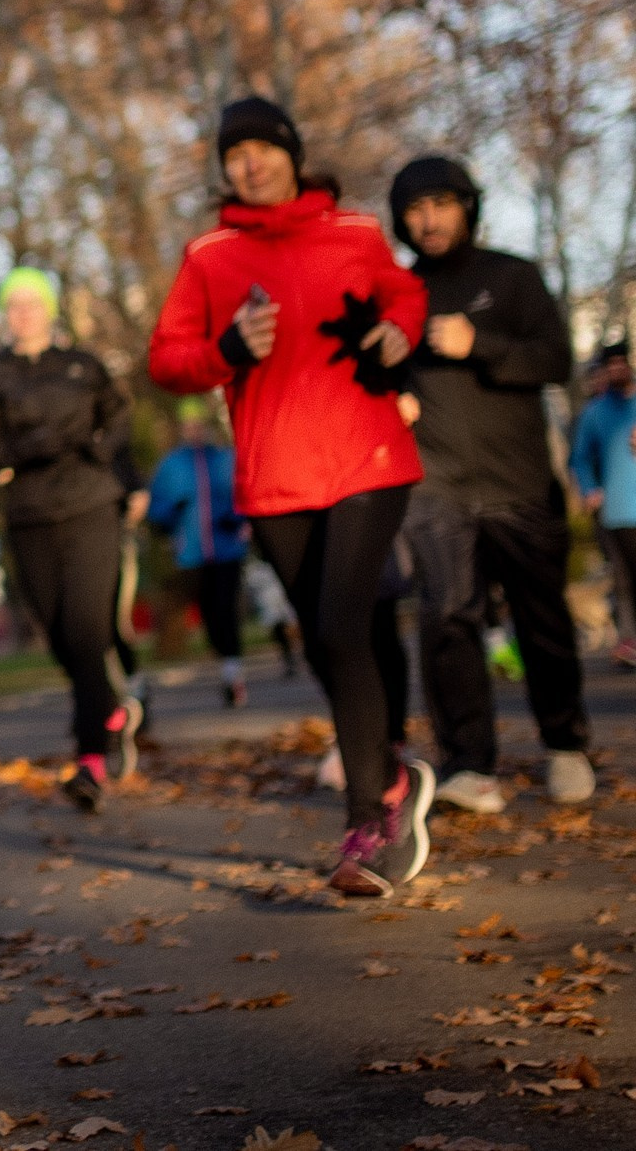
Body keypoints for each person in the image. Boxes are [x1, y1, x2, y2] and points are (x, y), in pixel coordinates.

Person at [149, 96, 431, 898]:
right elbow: (167, 360)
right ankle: (394, 771)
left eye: (262, 148)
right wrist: (226, 350)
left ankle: (369, 814)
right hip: (274, 474)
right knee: (329, 638)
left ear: (292, 155)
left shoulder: (354, 233)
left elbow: (403, 295)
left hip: (366, 455)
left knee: (342, 622)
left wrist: (400, 330)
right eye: (234, 154)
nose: (249, 164)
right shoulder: (209, 254)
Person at [389, 155, 591, 815]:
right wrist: (391, 401)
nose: (429, 219)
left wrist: (481, 341)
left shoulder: (512, 277)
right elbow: (374, 374)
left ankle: (565, 744)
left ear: (467, 207)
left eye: (442, 203)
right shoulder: (399, 293)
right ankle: (469, 765)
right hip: (438, 486)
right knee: (447, 618)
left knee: (543, 621)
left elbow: (556, 359)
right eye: (416, 208)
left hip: (520, 483)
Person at [0, 267, 140, 811]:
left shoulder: (81, 366)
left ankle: (89, 761)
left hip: (90, 503)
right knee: (62, 636)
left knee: (87, 630)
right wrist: (25, 449)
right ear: (4, 314)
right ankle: (110, 708)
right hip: (30, 514)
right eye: (12, 305)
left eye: (32, 303)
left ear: (49, 309)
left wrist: (105, 454)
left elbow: (122, 415)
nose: (23, 313)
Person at [145, 397, 255, 705]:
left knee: (226, 609)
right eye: (188, 425)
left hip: (227, 549)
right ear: (181, 428)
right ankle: (226, 664)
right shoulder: (171, 465)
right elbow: (156, 510)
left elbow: (245, 495)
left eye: (199, 425)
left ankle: (233, 673)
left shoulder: (225, 459)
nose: (194, 431)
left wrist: (235, 517)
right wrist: (170, 514)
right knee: (208, 613)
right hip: (191, 553)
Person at [567, 340, 636, 671]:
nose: (618, 369)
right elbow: (578, 458)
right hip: (616, 511)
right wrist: (591, 488)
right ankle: (629, 641)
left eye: (623, 362)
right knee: (622, 579)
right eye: (611, 365)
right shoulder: (594, 413)